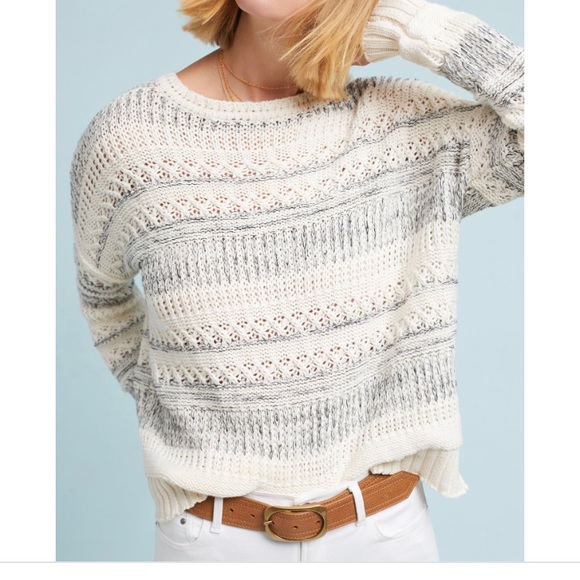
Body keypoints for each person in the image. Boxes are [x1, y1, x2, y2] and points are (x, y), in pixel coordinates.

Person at [69, 0, 523, 563]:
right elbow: (103, 298)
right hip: (213, 542)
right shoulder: (128, 140)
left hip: (385, 537)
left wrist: (403, 23)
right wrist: (166, 395)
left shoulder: (403, 126)